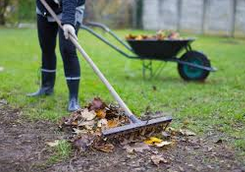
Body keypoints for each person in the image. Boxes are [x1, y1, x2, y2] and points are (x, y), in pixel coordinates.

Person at [27, 0, 86, 112]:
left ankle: (73, 98)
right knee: (46, 46)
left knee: (67, 49)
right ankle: (46, 87)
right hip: (45, 7)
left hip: (70, 8)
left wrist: (68, 22)